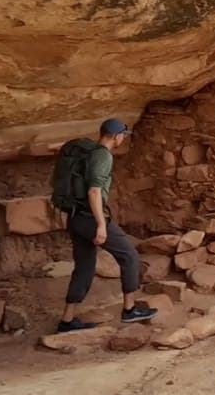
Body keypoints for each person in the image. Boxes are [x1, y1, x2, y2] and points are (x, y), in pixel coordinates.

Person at [51, 117, 156, 332]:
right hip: (90, 218)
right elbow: (94, 191)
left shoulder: (87, 153)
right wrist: (101, 224)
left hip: (74, 218)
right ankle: (129, 310)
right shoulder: (103, 156)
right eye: (122, 136)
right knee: (129, 256)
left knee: (84, 268)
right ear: (116, 136)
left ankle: (67, 320)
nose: (122, 139)